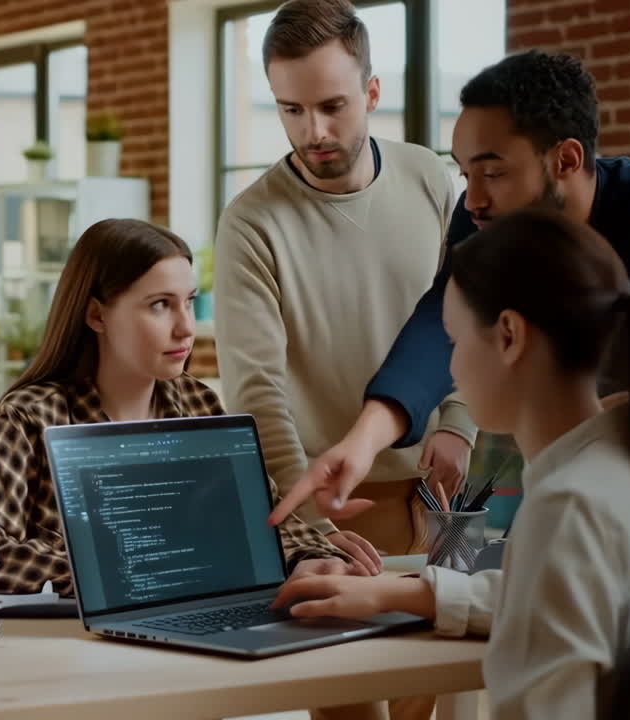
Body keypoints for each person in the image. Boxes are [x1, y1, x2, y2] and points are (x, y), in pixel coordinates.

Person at [273, 50, 630, 568]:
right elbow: (440, 321)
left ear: (565, 160)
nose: (472, 201)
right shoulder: (485, 215)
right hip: (581, 468)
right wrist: (361, 445)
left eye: (493, 172)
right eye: (465, 173)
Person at [275, 208, 630, 719]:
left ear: (509, 335)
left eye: (454, 339)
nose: (448, 368)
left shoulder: (570, 507)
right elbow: (552, 601)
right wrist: (399, 594)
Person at [0, 218, 353, 599]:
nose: (186, 327)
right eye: (160, 305)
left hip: (197, 631)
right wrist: (126, 572)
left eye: (188, 301)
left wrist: (309, 557)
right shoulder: (31, 417)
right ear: (96, 315)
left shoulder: (198, 404)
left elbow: (269, 526)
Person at [215, 0, 478, 577]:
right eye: (292, 110)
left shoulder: (430, 177)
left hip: (446, 491)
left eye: (333, 106)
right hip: (334, 511)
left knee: (465, 650)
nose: (315, 132)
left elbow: (466, 311)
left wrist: (460, 422)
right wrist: (311, 526)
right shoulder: (250, 223)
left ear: (373, 93)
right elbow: (257, 398)